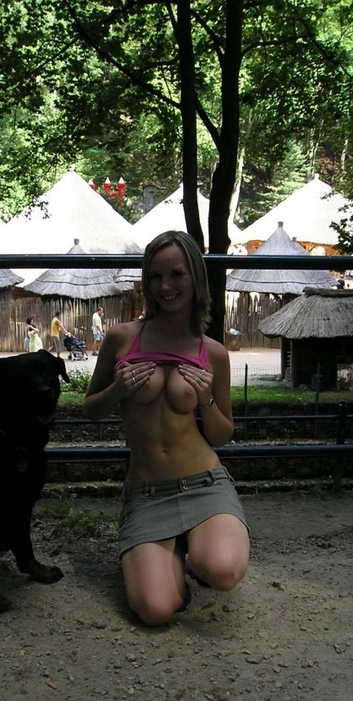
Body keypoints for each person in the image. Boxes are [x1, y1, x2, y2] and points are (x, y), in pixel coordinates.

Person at [84, 230, 250, 627]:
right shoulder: (121, 338)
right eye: (155, 277)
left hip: (204, 485)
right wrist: (118, 389)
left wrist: (206, 399)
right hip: (147, 492)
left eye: (176, 274)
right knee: (156, 610)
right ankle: (169, 556)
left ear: (195, 278)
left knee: (223, 571)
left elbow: (222, 434)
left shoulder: (213, 352)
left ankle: (199, 549)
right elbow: (91, 410)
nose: (165, 286)